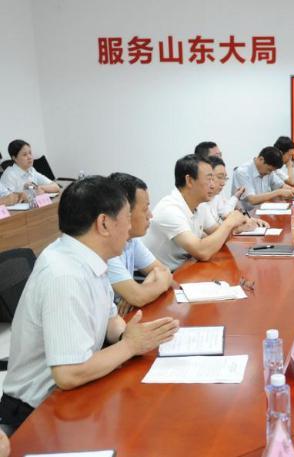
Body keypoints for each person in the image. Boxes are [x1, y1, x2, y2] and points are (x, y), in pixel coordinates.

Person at [0, 176, 179, 432]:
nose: (130, 227)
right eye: (127, 217)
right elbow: (69, 373)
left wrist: (126, 334)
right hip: (38, 410)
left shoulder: (89, 256)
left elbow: (111, 319)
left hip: (74, 393)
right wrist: (130, 345)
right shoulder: (65, 275)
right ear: (104, 223)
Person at [143, 154, 256, 271]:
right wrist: (229, 223)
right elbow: (202, 252)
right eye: (209, 179)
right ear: (189, 181)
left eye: (213, 179)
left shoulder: (200, 205)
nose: (213, 185)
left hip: (186, 266)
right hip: (163, 274)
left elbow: (218, 235)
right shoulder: (170, 209)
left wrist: (239, 227)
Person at [107, 173, 173, 316]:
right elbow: (137, 297)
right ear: (124, 211)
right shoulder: (106, 248)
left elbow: (162, 270)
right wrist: (139, 293)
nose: (150, 215)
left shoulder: (131, 239)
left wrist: (142, 289)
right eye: (145, 209)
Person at [198, 156, 268, 233]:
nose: (223, 183)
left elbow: (225, 213)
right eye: (219, 177)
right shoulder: (201, 204)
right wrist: (240, 228)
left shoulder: (217, 195)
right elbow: (215, 231)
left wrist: (250, 220)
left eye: (225, 178)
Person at [231, 146, 294, 212]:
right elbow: (252, 200)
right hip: (245, 214)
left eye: (272, 171)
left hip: (262, 212)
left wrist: (290, 189)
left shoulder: (269, 171)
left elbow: (280, 185)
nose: (269, 173)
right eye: (269, 170)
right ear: (261, 159)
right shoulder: (242, 172)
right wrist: (278, 192)